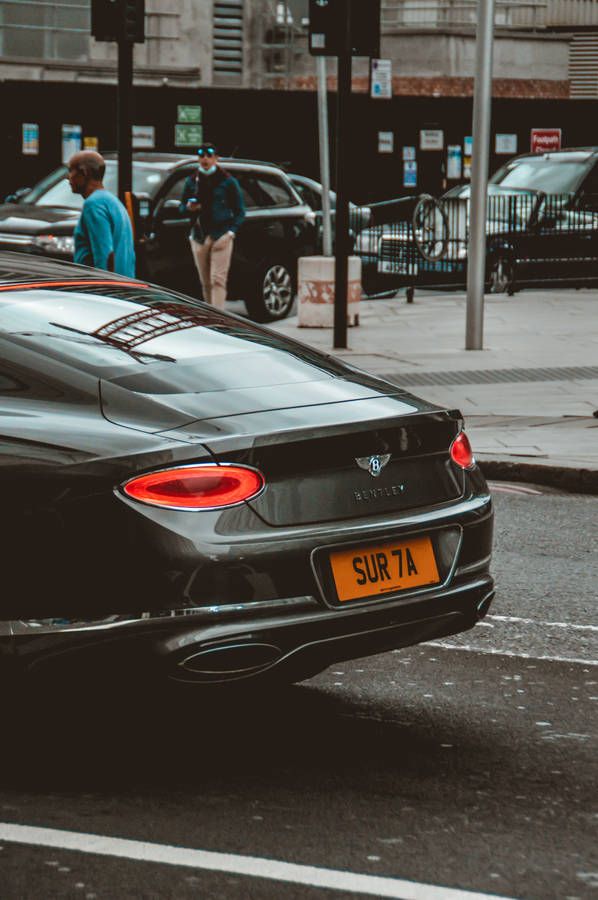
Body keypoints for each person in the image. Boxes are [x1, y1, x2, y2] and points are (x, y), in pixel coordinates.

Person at [179, 143, 245, 309]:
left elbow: (240, 211)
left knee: (218, 280)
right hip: (199, 236)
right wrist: (189, 207)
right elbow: (181, 207)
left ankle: (219, 315)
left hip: (221, 235)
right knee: (205, 282)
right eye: (202, 156)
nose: (205, 159)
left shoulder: (227, 181)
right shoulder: (192, 181)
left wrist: (230, 233)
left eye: (209, 156)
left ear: (216, 159)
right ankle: (210, 315)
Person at [68, 150, 136, 278]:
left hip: (104, 285)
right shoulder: (112, 201)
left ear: (84, 172)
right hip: (124, 282)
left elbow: (104, 255)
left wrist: (102, 285)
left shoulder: (93, 204)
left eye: (71, 171)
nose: (68, 177)